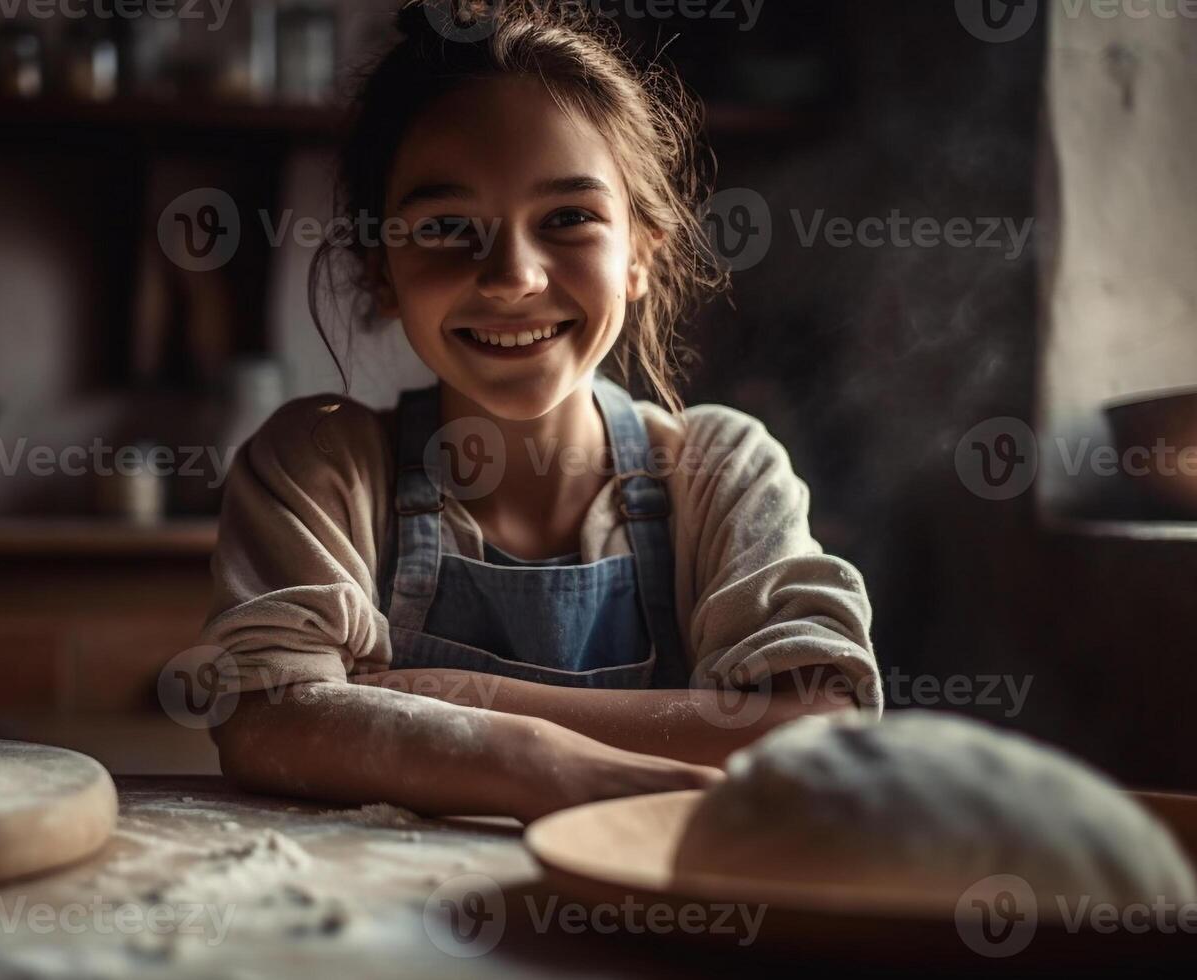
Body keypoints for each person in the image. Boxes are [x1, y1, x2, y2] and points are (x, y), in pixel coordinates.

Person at [198, 1, 882, 821]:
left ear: (641, 253)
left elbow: (810, 731)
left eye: (567, 218)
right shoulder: (319, 464)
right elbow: (270, 720)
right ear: (381, 270)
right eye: (448, 226)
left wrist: (455, 697)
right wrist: (545, 766)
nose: (512, 276)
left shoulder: (719, 472)